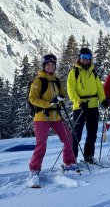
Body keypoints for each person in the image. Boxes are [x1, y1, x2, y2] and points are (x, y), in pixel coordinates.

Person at [28, 54, 76, 186]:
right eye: (48, 65)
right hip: (42, 117)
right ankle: (34, 170)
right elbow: (32, 98)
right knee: (41, 144)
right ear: (44, 66)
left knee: (68, 138)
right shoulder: (38, 81)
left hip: (56, 116)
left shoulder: (56, 80)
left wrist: (61, 98)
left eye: (52, 65)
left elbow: (63, 94)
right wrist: (49, 103)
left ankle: (69, 163)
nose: (50, 67)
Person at [67, 48, 108, 164]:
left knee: (92, 133)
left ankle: (89, 157)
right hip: (80, 107)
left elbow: (99, 88)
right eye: (83, 57)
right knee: (77, 133)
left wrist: (103, 99)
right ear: (79, 58)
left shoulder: (93, 72)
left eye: (87, 58)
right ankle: (71, 159)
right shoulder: (73, 72)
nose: (85, 60)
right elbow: (71, 90)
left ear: (90, 59)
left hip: (93, 106)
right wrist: (79, 102)